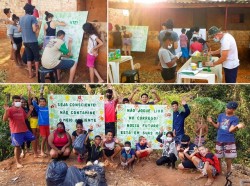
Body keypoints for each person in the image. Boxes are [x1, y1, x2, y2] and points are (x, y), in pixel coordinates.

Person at [207, 101, 244, 175]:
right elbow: (218, 126)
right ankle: (219, 171)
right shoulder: (221, 115)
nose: (226, 109)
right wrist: (211, 122)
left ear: (233, 110)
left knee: (228, 157)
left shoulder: (235, 118)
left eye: (229, 108)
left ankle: (228, 172)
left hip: (229, 140)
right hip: (219, 138)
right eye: (227, 107)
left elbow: (230, 130)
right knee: (218, 156)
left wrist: (237, 127)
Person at [3, 95, 35, 168]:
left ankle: (33, 152)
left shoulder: (21, 109)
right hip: (16, 131)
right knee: (17, 147)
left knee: (33, 138)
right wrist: (6, 110)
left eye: (18, 101)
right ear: (13, 102)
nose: (18, 102)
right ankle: (18, 163)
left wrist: (30, 110)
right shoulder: (10, 110)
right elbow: (4, 119)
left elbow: (25, 117)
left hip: (25, 129)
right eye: (16, 101)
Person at [19, 3, 40, 78]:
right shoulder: (32, 18)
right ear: (31, 11)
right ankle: (37, 74)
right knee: (36, 58)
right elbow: (34, 30)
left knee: (28, 58)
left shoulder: (21, 18)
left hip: (25, 41)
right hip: (33, 41)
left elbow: (19, 29)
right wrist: (37, 26)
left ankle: (30, 74)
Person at [28, 87, 40, 156]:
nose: (34, 100)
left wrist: (35, 95)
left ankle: (38, 148)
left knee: (38, 135)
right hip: (33, 120)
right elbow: (29, 100)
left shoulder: (38, 106)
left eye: (35, 99)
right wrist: (29, 91)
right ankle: (34, 149)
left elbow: (39, 98)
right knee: (34, 134)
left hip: (38, 120)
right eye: (33, 99)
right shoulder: (30, 106)